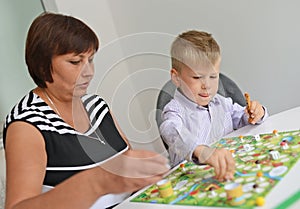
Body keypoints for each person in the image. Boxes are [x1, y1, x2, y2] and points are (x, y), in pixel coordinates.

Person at [2, 12, 170, 209]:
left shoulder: (97, 106)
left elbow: (129, 174)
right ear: (42, 65)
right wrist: (97, 181)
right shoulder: (27, 124)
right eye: (75, 62)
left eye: (90, 60)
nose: (89, 72)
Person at [159, 30, 268, 181]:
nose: (207, 85)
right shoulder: (175, 109)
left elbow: (244, 119)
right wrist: (202, 151)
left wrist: (256, 113)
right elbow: (169, 130)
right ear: (176, 78)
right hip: (193, 181)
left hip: (228, 172)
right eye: (197, 77)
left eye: (213, 76)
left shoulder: (221, 102)